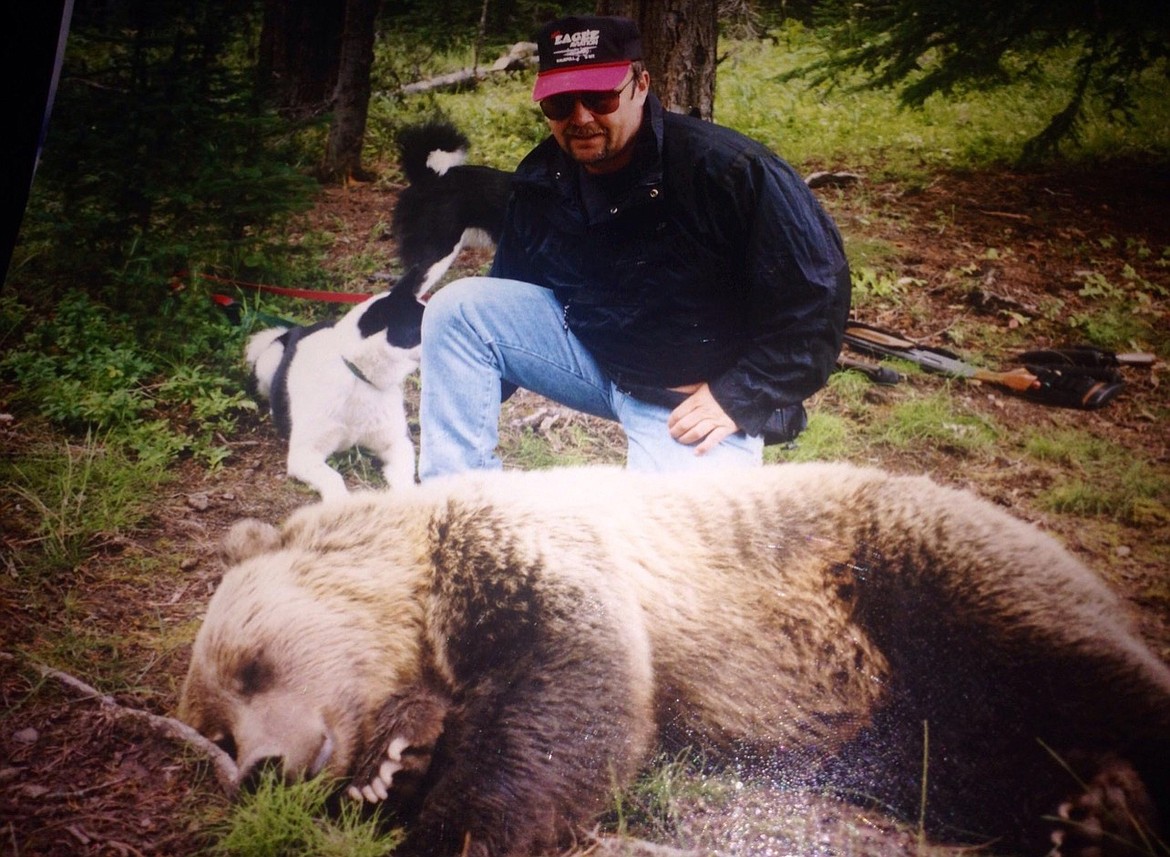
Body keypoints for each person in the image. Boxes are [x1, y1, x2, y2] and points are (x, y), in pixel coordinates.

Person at [418, 15, 850, 479]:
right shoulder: (544, 177)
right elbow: (510, 291)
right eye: (561, 103)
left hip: (687, 396)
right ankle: (455, 501)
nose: (581, 118)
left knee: (685, 545)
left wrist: (740, 395)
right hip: (596, 355)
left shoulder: (727, 171)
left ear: (641, 85)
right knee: (459, 309)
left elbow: (817, 295)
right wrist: (463, 381)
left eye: (600, 97)